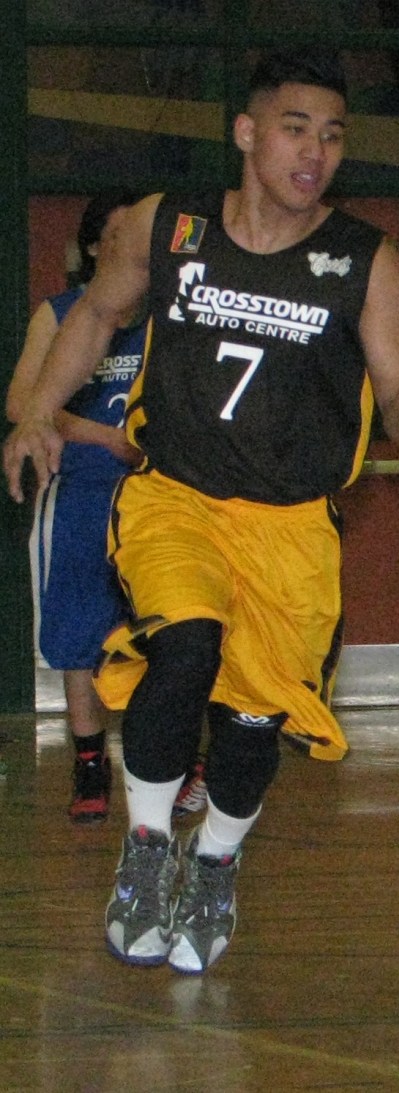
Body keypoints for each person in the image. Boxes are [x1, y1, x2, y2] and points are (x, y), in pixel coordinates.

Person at [4, 49, 399, 973]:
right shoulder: (168, 227)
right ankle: (148, 848)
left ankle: (216, 859)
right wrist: (37, 413)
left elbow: (398, 390)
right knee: (183, 646)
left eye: (334, 135)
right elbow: (97, 317)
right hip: (174, 495)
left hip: (292, 524)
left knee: (251, 724)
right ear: (248, 133)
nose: (316, 151)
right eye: (296, 128)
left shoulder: (364, 259)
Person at [6, 191, 145, 823]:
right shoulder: (61, 313)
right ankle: (90, 761)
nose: (127, 245)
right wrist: (104, 437)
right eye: (115, 235)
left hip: (155, 497)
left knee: (172, 630)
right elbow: (22, 405)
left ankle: (175, 755)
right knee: (78, 634)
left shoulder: (168, 315)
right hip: (82, 489)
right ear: (93, 248)